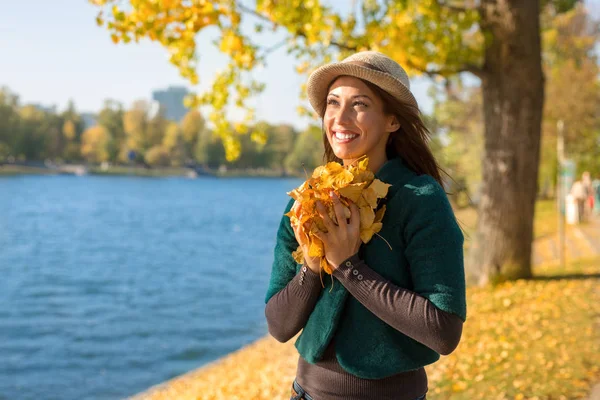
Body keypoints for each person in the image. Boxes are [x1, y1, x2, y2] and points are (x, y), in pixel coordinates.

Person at [264, 51, 466, 400]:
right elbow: (279, 326)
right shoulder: (306, 201)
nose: (340, 118)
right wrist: (312, 267)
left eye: (359, 104)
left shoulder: (421, 198)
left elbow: (443, 331)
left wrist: (348, 267)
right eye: (332, 103)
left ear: (392, 120)